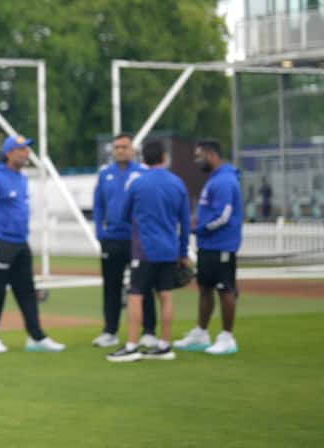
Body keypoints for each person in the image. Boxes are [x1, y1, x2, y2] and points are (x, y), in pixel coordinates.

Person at [0, 134, 65, 354]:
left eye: (27, 149)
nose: (26, 153)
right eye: (21, 149)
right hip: (0, 240)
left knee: (26, 291)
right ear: (9, 153)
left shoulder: (23, 179)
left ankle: (36, 337)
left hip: (20, 241)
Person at [107, 139, 191, 363]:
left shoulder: (138, 183)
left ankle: (132, 346)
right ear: (164, 157)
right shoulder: (177, 184)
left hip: (144, 248)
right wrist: (183, 253)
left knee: (135, 295)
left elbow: (123, 215)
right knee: (165, 295)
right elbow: (185, 222)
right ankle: (164, 345)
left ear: (142, 158)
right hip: (169, 249)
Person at [174, 139, 243, 356]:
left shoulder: (224, 181)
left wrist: (198, 228)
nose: (196, 161)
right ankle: (201, 332)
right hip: (208, 245)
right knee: (205, 288)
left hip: (222, 244)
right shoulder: (215, 180)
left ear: (212, 154)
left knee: (225, 289)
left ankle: (227, 337)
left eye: (199, 156)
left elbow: (223, 216)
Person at [90, 134, 157, 349]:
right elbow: (98, 205)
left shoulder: (142, 173)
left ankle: (148, 331)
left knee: (143, 286)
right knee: (111, 286)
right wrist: (100, 232)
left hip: (137, 239)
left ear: (133, 150)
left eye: (124, 147)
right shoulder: (105, 174)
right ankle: (110, 331)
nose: (120, 150)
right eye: (117, 147)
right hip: (111, 240)